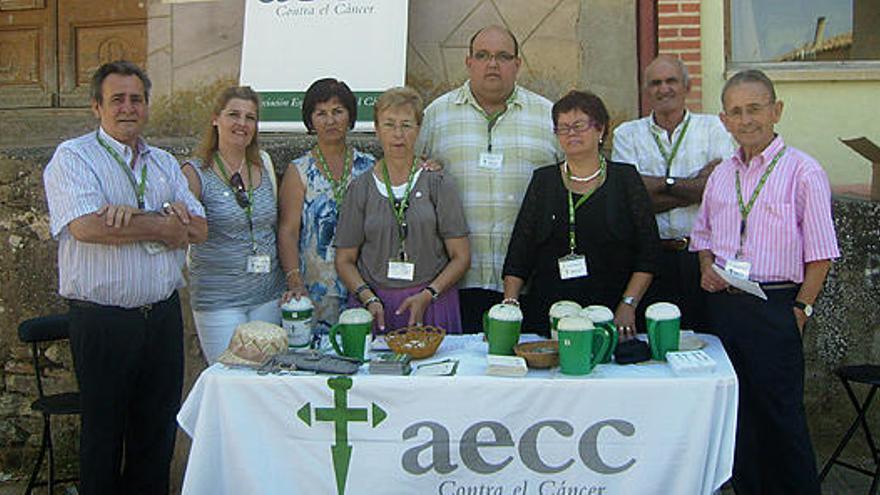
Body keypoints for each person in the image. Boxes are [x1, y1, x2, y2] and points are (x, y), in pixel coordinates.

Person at [43, 60, 207, 494]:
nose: (128, 108)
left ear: (147, 107)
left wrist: (131, 217)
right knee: (103, 436)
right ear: (97, 106)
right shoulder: (73, 158)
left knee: (155, 436)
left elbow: (201, 228)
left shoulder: (166, 163)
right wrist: (163, 221)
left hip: (162, 318)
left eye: (137, 99)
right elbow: (87, 228)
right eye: (117, 99)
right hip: (103, 322)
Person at [691, 69, 839, 495]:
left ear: (776, 111)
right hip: (725, 310)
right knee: (738, 422)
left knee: (781, 420)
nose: (746, 119)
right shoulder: (721, 175)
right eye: (736, 112)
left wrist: (801, 310)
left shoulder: (803, 171)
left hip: (776, 309)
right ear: (723, 120)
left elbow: (822, 254)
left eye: (754, 108)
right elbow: (703, 236)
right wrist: (706, 267)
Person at [416, 25, 562, 332]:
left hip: (529, 284)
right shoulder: (435, 116)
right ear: (468, 62)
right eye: (482, 55)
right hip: (456, 283)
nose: (492, 64)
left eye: (502, 56)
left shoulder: (548, 118)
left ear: (517, 64)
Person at [502, 90, 660, 338]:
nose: (571, 133)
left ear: (600, 129)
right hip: (550, 316)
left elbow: (649, 251)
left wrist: (628, 305)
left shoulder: (625, 179)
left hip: (612, 316)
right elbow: (521, 249)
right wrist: (510, 305)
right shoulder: (543, 181)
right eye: (562, 128)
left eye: (579, 125)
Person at [612, 55, 735, 331]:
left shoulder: (714, 128)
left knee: (705, 339)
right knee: (652, 344)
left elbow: (719, 191)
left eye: (671, 81)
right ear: (646, 90)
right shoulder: (627, 134)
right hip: (648, 261)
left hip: (701, 258)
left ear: (687, 87)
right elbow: (631, 199)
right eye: (655, 83)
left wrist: (659, 186)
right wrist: (693, 186)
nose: (663, 89)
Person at [336, 87, 470, 333]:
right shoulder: (360, 188)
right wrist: (368, 298)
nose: (398, 134)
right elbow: (344, 260)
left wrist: (429, 294)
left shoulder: (438, 183)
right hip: (376, 309)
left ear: (419, 129)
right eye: (389, 125)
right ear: (377, 130)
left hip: (431, 305)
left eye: (407, 125)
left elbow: (461, 257)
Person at [181, 86, 285, 364]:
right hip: (219, 300)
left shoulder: (263, 164)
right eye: (234, 115)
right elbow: (182, 226)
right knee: (231, 378)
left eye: (250, 118)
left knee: (268, 380)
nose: (242, 124)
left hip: (268, 296)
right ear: (216, 119)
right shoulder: (195, 172)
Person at [278, 78, 376, 334]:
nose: (330, 120)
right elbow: (288, 231)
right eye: (321, 113)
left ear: (350, 117)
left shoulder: (369, 166)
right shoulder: (299, 170)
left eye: (337, 112)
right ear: (310, 120)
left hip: (364, 286)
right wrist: (294, 281)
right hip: (315, 287)